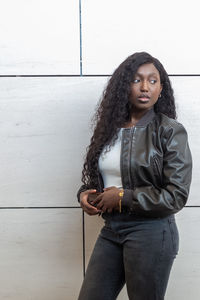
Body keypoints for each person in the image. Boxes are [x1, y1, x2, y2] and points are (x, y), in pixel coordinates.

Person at [77, 52, 192, 300]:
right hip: (112, 229)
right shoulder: (109, 130)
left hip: (151, 231)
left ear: (161, 89)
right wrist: (86, 193)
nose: (144, 87)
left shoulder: (169, 131)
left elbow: (176, 196)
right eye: (137, 79)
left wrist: (124, 197)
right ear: (124, 85)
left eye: (153, 81)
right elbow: (108, 178)